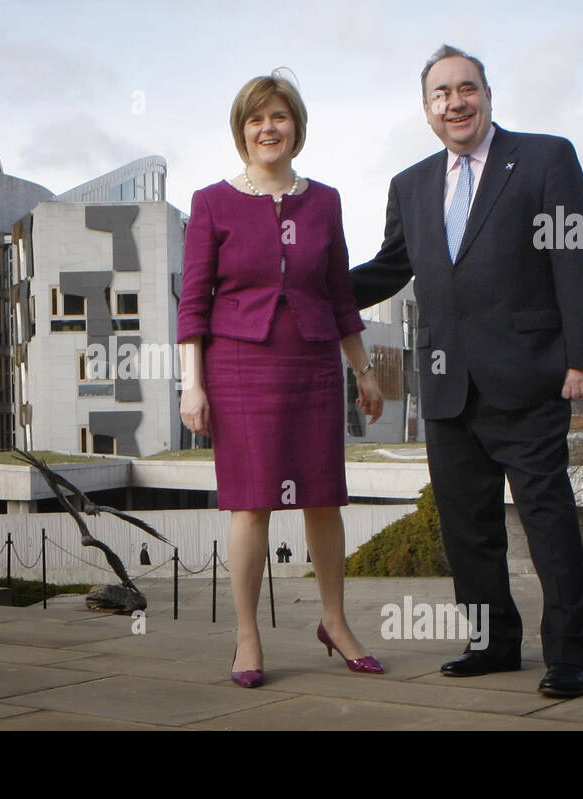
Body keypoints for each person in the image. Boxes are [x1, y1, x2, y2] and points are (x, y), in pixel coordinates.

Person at [349, 45, 583, 697]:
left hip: (530, 377)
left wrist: (582, 356)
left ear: (487, 95)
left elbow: (576, 258)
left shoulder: (547, 158)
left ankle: (570, 654)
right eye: (441, 93)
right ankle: (493, 643)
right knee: (468, 526)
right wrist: (309, 288)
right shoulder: (410, 184)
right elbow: (388, 267)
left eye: (467, 88)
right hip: (446, 384)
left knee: (548, 522)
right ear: (427, 108)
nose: (455, 101)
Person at [179, 70, 385, 688]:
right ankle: (247, 637)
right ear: (242, 131)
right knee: (252, 503)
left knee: (324, 497)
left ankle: (335, 623)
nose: (268, 128)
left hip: (314, 362)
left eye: (279, 117)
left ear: (296, 126)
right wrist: (193, 383)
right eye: (255, 119)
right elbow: (193, 300)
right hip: (239, 367)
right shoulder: (211, 202)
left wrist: (365, 373)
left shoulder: (325, 201)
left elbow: (341, 294)